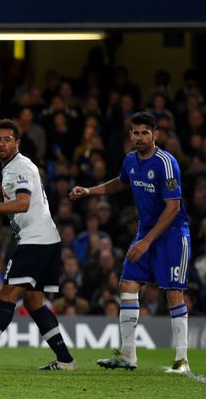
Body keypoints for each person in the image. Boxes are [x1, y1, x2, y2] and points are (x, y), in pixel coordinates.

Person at [69, 111, 191, 374]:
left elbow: (173, 207)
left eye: (145, 132)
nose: (140, 137)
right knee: (127, 284)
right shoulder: (130, 161)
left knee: (173, 292)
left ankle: (182, 360)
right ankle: (128, 355)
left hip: (172, 233)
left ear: (155, 135)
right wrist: (89, 191)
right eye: (135, 132)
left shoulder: (165, 163)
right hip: (145, 231)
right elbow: (119, 183)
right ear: (130, 134)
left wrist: (147, 241)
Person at [0, 119, 77, 371]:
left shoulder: (19, 167)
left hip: (35, 241)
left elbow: (23, 203)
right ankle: (65, 360)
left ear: (17, 142)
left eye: (7, 139)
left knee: (7, 296)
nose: (2, 144)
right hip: (47, 240)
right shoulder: (14, 167)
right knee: (34, 303)